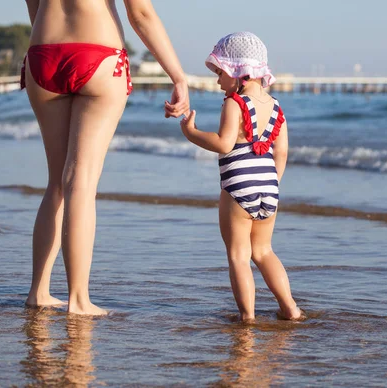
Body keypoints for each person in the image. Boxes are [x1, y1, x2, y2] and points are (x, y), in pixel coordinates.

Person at [22, 0, 189, 315]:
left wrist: (43, 48)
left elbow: (34, 6)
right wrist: (177, 76)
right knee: (81, 182)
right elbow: (140, 13)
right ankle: (79, 300)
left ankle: (38, 292)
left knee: (57, 183)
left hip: (43, 54)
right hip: (99, 55)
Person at [180, 32, 302, 321]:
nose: (217, 80)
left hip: (238, 189)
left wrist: (191, 133)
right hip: (270, 188)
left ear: (239, 74)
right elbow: (281, 153)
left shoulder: (235, 103)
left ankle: (247, 317)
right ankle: (290, 308)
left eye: (221, 72)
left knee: (238, 255)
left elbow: (224, 143)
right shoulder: (276, 107)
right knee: (263, 251)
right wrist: (273, 182)